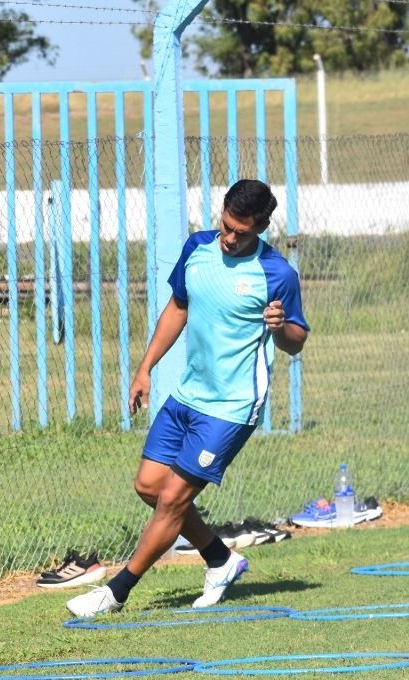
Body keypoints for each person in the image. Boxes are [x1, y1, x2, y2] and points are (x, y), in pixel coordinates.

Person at [67, 179, 309, 617]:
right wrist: (145, 368)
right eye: (226, 226)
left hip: (232, 406)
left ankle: (116, 592)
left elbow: (296, 341)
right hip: (188, 394)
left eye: (241, 233)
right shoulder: (197, 248)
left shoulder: (277, 274)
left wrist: (279, 328)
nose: (229, 238)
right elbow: (178, 307)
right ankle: (220, 558)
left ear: (261, 228)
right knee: (150, 486)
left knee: (173, 499)